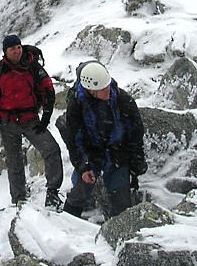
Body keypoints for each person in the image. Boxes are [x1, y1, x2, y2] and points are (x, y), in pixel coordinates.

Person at [0, 34, 64, 208]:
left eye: (18, 47)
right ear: (5, 52)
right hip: (8, 122)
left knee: (51, 150)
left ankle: (52, 192)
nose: (17, 51)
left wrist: (45, 118)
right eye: (12, 48)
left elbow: (49, 90)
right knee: (14, 162)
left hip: (30, 120)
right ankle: (19, 199)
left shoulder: (33, 67)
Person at [60, 61, 146, 219]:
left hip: (117, 152)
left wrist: (136, 161)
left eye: (108, 86)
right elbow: (74, 140)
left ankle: (120, 232)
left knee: (122, 204)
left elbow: (135, 133)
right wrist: (83, 167)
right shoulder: (77, 105)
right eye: (103, 89)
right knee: (78, 194)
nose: (108, 91)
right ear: (91, 90)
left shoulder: (123, 100)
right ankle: (65, 227)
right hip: (92, 153)